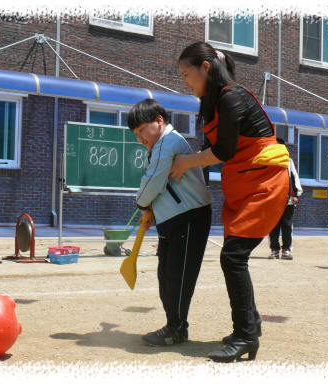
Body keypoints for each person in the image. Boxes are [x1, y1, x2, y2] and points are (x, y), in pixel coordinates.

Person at [169, 42, 290, 362]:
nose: (184, 82)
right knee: (233, 256)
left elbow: (222, 152)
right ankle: (251, 325)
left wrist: (185, 163)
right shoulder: (212, 103)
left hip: (264, 183)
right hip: (243, 185)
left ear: (205, 68)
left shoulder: (231, 96)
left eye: (186, 74)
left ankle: (246, 335)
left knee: (232, 257)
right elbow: (213, 152)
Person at [127, 98, 213, 347]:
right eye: (135, 133)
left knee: (178, 277)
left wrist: (143, 206)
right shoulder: (160, 146)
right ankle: (173, 326)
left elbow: (152, 181)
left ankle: (176, 329)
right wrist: (151, 211)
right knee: (166, 276)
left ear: (159, 120)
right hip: (175, 219)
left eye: (141, 130)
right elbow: (163, 187)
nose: (139, 138)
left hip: (189, 218)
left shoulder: (168, 143)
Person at [268, 138, 302, 260]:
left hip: (287, 200)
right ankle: (274, 250)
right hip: (272, 200)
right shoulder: (268, 161)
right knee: (272, 226)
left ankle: (286, 250)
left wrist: (296, 194)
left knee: (287, 226)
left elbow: (294, 177)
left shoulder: (288, 161)